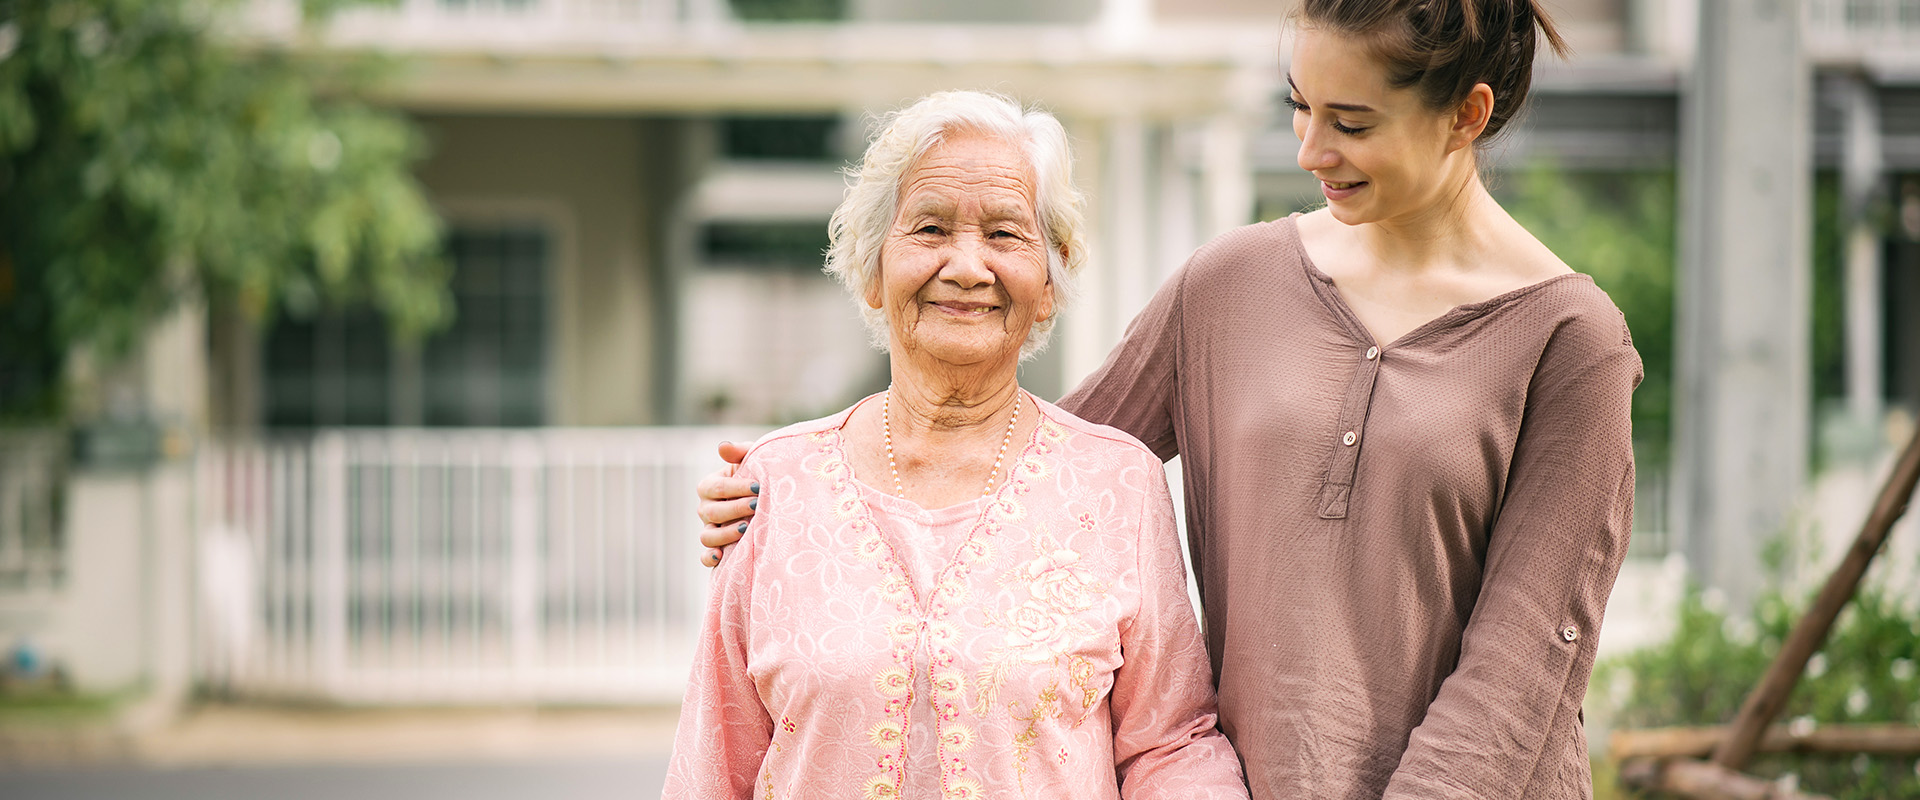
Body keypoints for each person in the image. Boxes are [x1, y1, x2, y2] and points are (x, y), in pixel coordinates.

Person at [700, 1, 1642, 796]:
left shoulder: (1570, 342)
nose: (1311, 148)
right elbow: (1038, 475)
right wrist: (810, 494)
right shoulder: (1232, 283)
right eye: (1299, 107)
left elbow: (1524, 666)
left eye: (1350, 123)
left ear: (1467, 115)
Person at [664, 90, 1248, 799]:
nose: (968, 266)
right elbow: (715, 761)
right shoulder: (775, 484)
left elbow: (1169, 743)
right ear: (873, 266)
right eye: (931, 229)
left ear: (1049, 281)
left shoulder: (1117, 483)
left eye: (1005, 234)